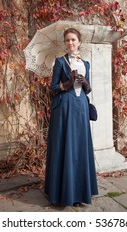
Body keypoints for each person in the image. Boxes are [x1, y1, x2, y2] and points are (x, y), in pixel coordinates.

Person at [44, 27, 98, 207]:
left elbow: (88, 90)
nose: (70, 43)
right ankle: (62, 193)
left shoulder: (86, 64)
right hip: (64, 109)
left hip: (81, 107)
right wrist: (67, 83)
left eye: (73, 39)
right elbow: (53, 89)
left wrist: (85, 82)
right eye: (67, 40)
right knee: (64, 147)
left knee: (79, 148)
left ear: (79, 42)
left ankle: (80, 192)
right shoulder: (60, 62)